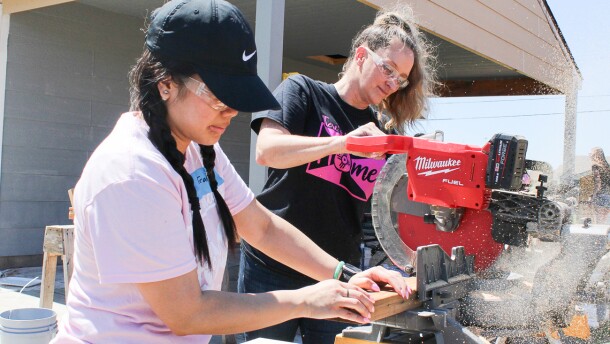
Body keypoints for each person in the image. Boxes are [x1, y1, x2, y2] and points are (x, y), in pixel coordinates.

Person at [51, 1, 409, 343]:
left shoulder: (198, 150)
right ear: (165, 84)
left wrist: (345, 275)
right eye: (218, 98)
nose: (231, 113)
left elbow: (262, 227)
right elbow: (187, 313)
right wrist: (306, 301)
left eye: (236, 100)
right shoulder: (133, 173)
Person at [239, 5, 436, 343]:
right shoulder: (303, 91)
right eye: (388, 69)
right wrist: (341, 144)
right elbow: (267, 151)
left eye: (400, 78)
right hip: (270, 267)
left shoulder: (381, 132)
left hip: (337, 274)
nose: (393, 83)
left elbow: (385, 211)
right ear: (361, 55)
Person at [589, 147, 610, 223]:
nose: (589, 154)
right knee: (605, 223)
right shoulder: (607, 166)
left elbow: (597, 182)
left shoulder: (595, 165)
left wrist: (593, 196)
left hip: (600, 196)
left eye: (590, 153)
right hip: (608, 197)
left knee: (598, 224)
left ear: (595, 154)